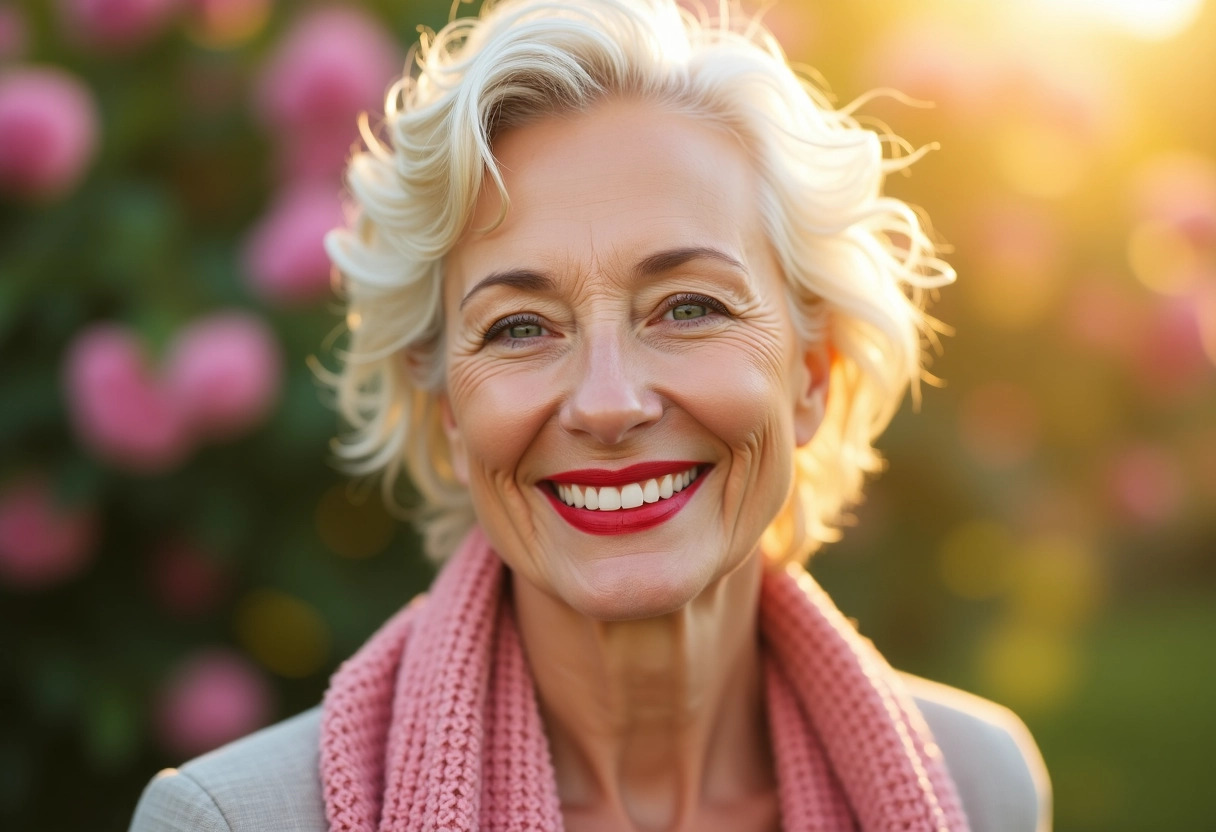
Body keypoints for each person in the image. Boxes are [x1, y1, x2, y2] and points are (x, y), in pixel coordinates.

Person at [130, 0, 1051, 829]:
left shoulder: (983, 786)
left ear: (813, 374)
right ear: (447, 405)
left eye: (690, 307)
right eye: (521, 326)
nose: (609, 404)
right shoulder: (232, 821)